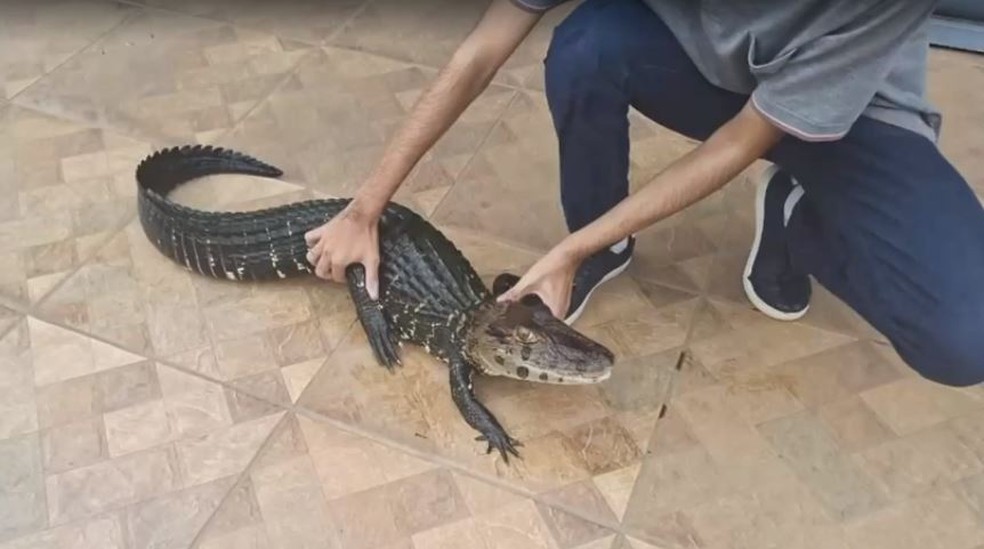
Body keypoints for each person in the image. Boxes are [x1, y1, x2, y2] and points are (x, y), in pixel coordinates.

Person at [305, 0, 984, 387]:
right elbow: (481, 49)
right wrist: (366, 207)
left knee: (965, 337)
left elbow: (741, 140)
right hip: (701, 68)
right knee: (587, 48)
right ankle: (606, 239)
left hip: (851, 115)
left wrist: (568, 246)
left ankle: (797, 220)